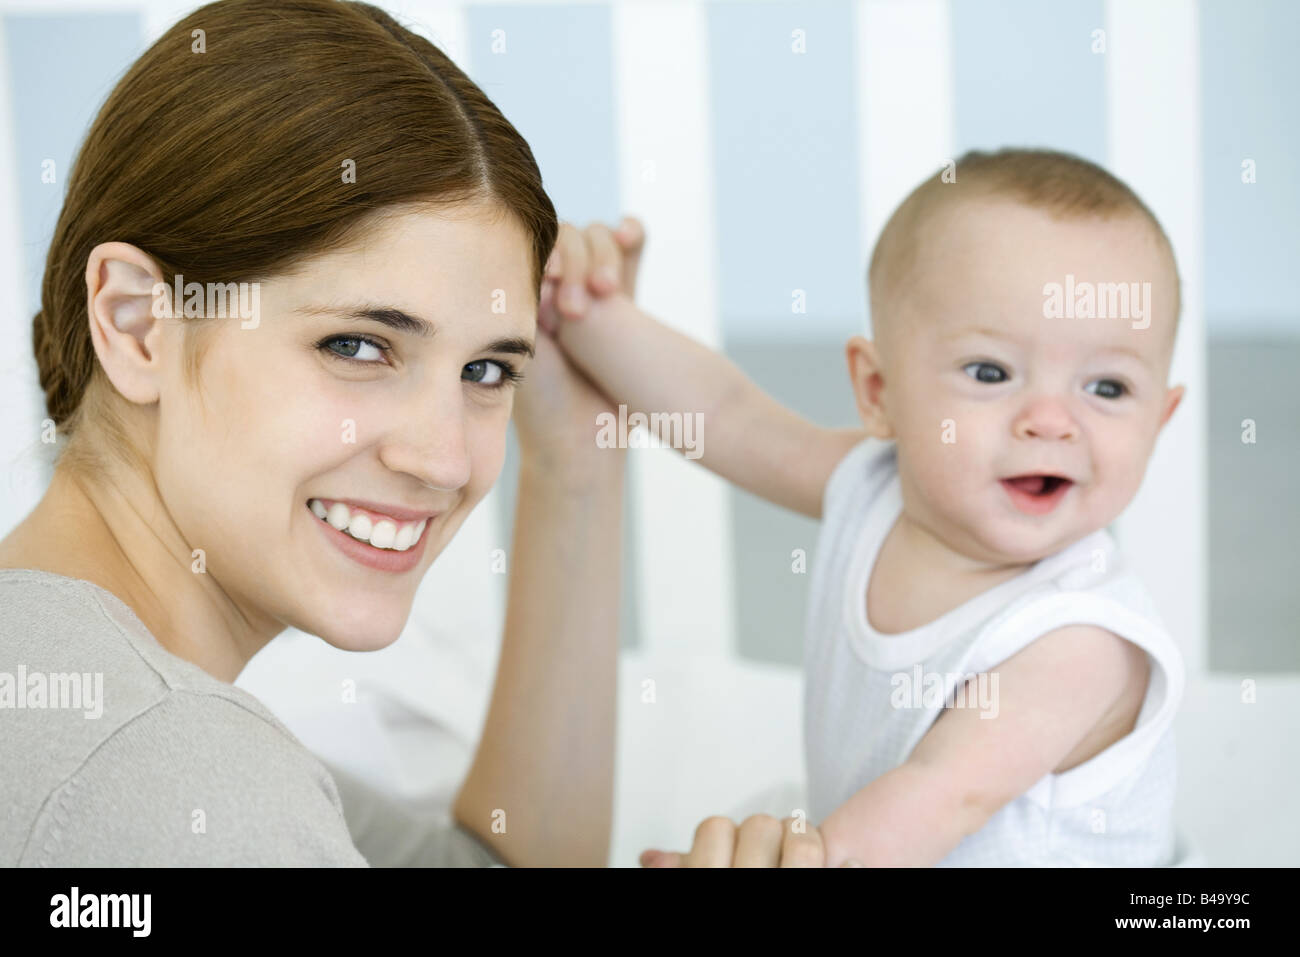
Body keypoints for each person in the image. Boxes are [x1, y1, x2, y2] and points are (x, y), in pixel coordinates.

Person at [0, 0, 631, 867]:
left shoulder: (100, 708)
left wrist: (578, 460)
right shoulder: (172, 763)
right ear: (140, 323)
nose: (445, 459)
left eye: (488, 371)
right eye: (359, 346)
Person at [548, 148, 1189, 866]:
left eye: (1106, 388)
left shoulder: (1083, 640)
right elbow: (728, 417)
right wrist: (585, 318)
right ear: (879, 393)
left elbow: (940, 793)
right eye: (990, 372)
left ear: (1159, 421)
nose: (1051, 419)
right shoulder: (876, 488)